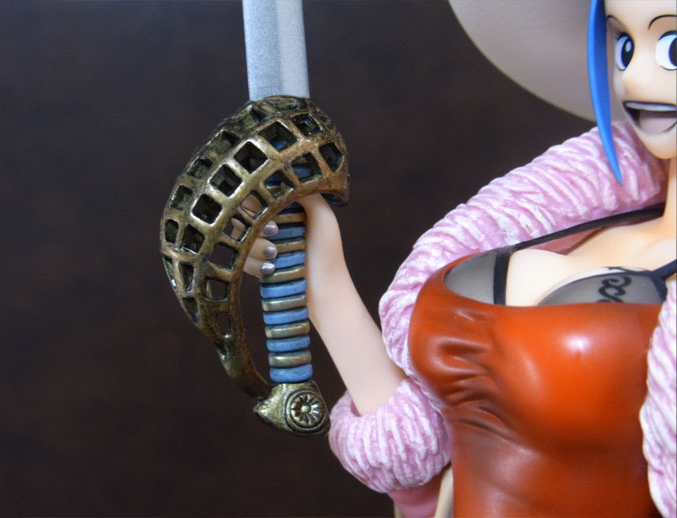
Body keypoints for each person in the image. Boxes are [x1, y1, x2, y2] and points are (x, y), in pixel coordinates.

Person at [245, 0, 675, 516]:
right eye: (624, 45)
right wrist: (323, 282)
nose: (635, 77)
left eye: (672, 47)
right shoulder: (572, 220)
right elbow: (429, 453)